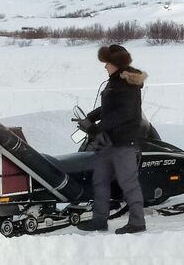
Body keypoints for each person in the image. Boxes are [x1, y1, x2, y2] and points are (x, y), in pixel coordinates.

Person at [77, 44, 147, 234]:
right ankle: (99, 220)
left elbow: (123, 113)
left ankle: (138, 222)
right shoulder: (114, 81)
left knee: (128, 183)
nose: (105, 66)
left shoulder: (127, 84)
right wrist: (91, 117)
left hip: (124, 143)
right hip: (107, 142)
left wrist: (97, 127)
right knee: (100, 181)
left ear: (116, 63)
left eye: (107, 62)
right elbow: (109, 109)